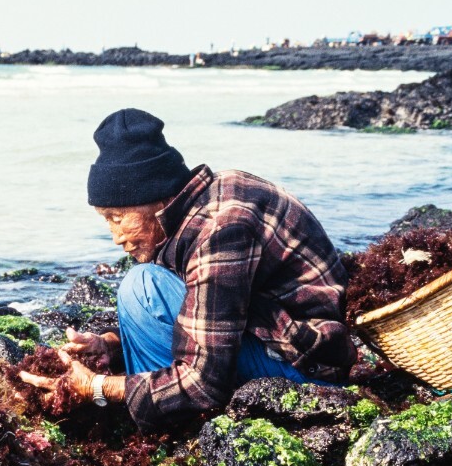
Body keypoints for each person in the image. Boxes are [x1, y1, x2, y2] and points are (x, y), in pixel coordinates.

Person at [21, 108, 356, 430]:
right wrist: (111, 344)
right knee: (145, 284)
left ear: (154, 197)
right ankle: (160, 401)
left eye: (117, 218)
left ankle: (170, 423)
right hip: (280, 339)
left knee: (142, 286)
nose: (116, 237)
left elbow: (205, 381)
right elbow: (210, 310)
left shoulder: (221, 228)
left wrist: (99, 387)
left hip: (308, 368)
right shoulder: (201, 205)